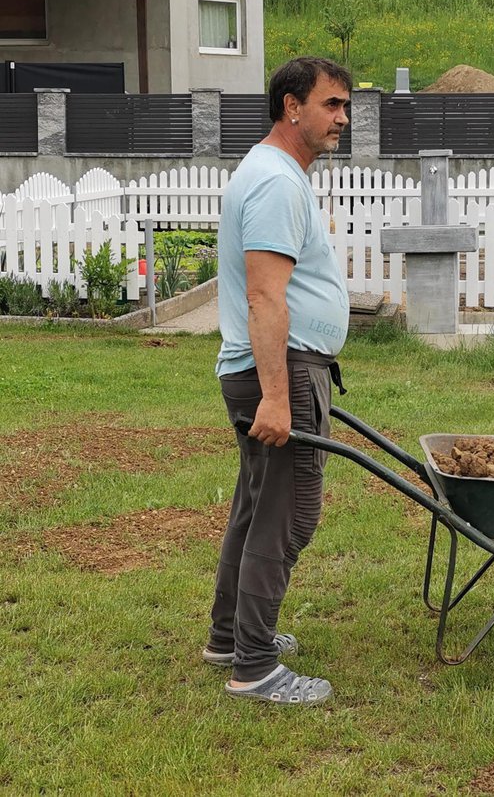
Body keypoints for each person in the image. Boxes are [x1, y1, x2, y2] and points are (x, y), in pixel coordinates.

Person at [201, 57, 352, 705]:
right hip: (280, 367)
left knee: (256, 509)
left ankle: (229, 637)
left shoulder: (273, 173)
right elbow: (266, 297)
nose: (342, 118)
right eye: (331, 104)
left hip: (276, 365)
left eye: (345, 106)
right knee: (286, 517)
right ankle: (255, 667)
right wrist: (277, 396)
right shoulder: (275, 181)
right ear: (292, 106)